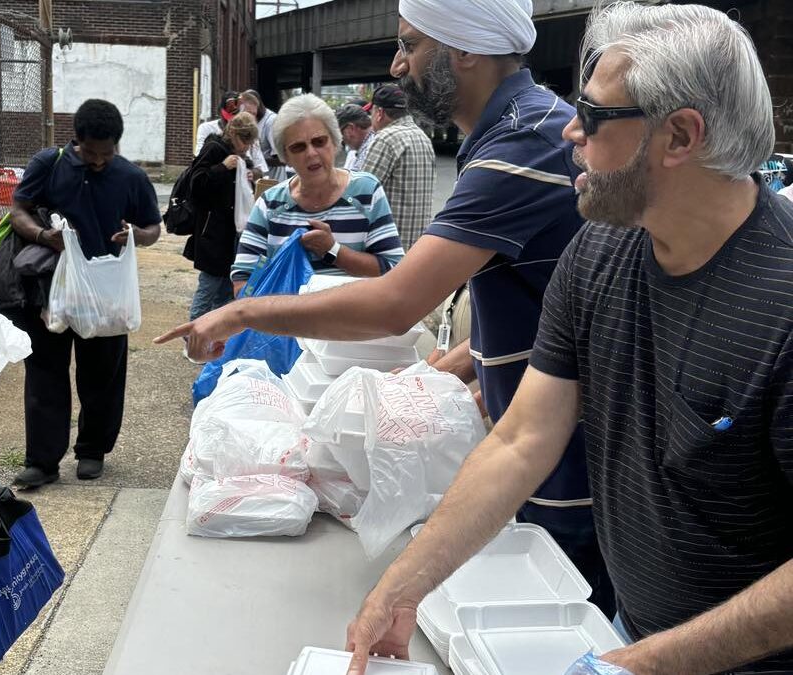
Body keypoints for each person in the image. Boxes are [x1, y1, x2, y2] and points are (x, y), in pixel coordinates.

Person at [343, 3, 793, 674]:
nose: (571, 130)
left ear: (679, 137)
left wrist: (641, 664)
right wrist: (404, 583)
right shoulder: (600, 251)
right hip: (632, 633)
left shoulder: (780, 304)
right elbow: (522, 438)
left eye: (598, 116)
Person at [160, 0, 614, 616]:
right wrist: (445, 370)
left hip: (565, 467)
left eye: (411, 45)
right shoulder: (517, 131)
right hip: (540, 445)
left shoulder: (524, 143)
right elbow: (549, 306)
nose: (399, 65)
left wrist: (241, 314)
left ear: (467, 49)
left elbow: (397, 303)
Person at [9, 99, 161, 485]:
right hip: (52, 289)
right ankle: (42, 462)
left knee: (103, 375)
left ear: (117, 146)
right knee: (45, 373)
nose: (97, 161)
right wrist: (45, 235)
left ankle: (92, 450)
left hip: (106, 292)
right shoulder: (49, 164)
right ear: (76, 141)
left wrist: (134, 235)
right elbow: (18, 210)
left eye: (106, 153)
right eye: (90, 152)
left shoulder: (131, 177)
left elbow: (153, 229)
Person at [230, 94, 405, 296]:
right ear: (285, 157)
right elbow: (242, 282)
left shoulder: (366, 192)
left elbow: (392, 269)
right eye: (298, 147)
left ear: (335, 142)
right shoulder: (270, 204)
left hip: (349, 324)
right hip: (285, 325)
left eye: (319, 141)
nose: (311, 153)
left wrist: (333, 250)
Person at [184, 111, 259, 320]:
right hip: (212, 232)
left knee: (226, 289)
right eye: (244, 140)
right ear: (233, 133)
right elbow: (196, 185)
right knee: (208, 287)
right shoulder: (214, 149)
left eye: (249, 142)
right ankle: (192, 338)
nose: (246, 146)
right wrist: (222, 167)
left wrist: (250, 176)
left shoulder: (240, 157)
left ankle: (215, 338)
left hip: (231, 232)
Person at [363, 83, 437, 251]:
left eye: (371, 112)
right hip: (416, 248)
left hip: (387, 248)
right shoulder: (423, 138)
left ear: (379, 113)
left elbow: (361, 193)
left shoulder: (386, 138)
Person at [197, 91, 267, 176]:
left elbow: (261, 168)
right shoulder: (209, 134)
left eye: (254, 114)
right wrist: (223, 166)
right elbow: (199, 169)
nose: (252, 118)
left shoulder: (252, 136)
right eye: (247, 114)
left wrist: (252, 173)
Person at [239, 89, 287, 181]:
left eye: (253, 112)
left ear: (258, 104)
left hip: (274, 181)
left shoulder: (272, 121)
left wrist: (256, 161)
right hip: (256, 181)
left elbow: (282, 159)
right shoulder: (246, 122)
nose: (250, 117)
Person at [336, 104, 376, 172]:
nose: (342, 140)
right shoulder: (368, 145)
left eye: (340, 134)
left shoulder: (369, 150)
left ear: (350, 128)